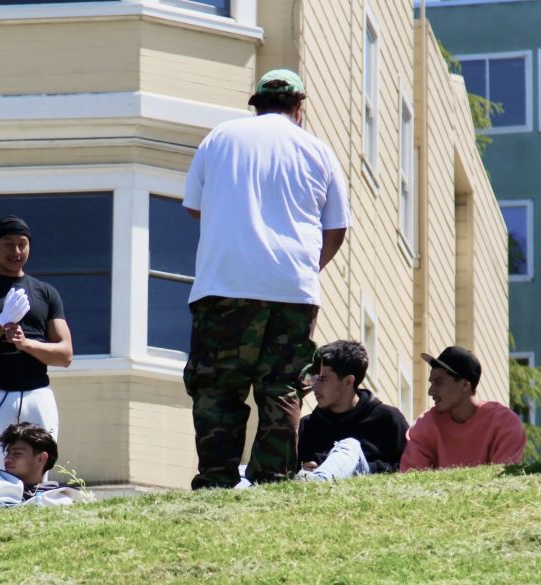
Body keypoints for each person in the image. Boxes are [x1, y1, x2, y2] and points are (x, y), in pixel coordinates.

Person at [182, 69, 351, 488]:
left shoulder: (219, 138)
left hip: (224, 284)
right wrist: (307, 270)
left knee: (218, 386)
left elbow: (195, 207)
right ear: (299, 106)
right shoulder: (318, 151)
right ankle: (273, 478)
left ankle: (216, 478)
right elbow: (337, 228)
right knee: (282, 387)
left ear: (255, 103)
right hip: (292, 289)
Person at [0, 216, 73, 472]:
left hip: (36, 393)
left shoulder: (46, 292)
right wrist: (0, 323)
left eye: (22, 244)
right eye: (8, 244)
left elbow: (65, 355)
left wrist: (25, 343)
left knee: (40, 467)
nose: (16, 251)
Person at [295, 341, 408, 481]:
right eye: (313, 379)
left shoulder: (388, 419)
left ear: (348, 381)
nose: (315, 387)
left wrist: (364, 469)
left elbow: (408, 468)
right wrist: (304, 468)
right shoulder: (307, 425)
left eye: (323, 380)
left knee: (349, 446)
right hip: (316, 488)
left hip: (368, 486)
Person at [400, 346, 526, 471]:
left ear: (465, 385)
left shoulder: (505, 424)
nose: (430, 391)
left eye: (438, 382)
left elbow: (503, 478)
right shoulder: (425, 425)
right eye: (432, 383)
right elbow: (411, 477)